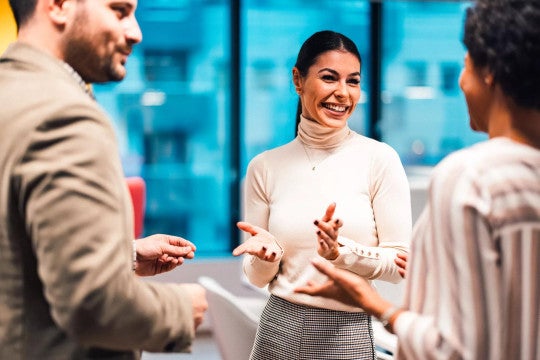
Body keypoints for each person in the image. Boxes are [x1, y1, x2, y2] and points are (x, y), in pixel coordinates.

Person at [296, 1, 540, 359]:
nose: (460, 80)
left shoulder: (471, 179)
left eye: (465, 64)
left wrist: (378, 306)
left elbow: (459, 350)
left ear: (490, 71)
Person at [0, 0, 208, 358]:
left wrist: (123, 254)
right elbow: (94, 305)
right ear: (60, 6)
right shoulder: (64, 116)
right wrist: (180, 307)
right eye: (119, 11)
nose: (136, 33)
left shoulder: (12, 95)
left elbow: (15, 250)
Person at [233, 30, 411, 359]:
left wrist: (339, 253)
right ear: (298, 80)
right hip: (278, 328)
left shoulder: (379, 160)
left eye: (353, 81)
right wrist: (264, 257)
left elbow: (400, 267)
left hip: (348, 332)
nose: (342, 93)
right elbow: (256, 279)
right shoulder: (264, 166)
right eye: (329, 78)